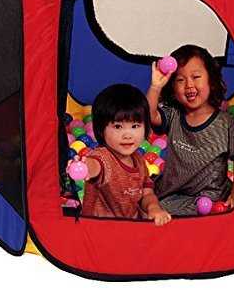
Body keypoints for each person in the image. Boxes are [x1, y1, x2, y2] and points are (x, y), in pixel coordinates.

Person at [146, 44, 234, 216]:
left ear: (211, 81)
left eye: (196, 76)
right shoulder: (173, 114)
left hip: (210, 196)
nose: (189, 85)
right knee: (144, 203)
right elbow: (149, 115)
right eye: (180, 80)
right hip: (173, 192)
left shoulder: (226, 123)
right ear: (172, 88)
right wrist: (155, 87)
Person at [73, 83, 171, 226]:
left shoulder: (139, 161)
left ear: (146, 129)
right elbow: (95, 165)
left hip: (129, 227)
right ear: (101, 130)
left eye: (135, 126)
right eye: (118, 126)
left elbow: (147, 193)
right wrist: (84, 166)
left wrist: (153, 208)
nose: (127, 135)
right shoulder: (103, 157)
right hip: (99, 230)